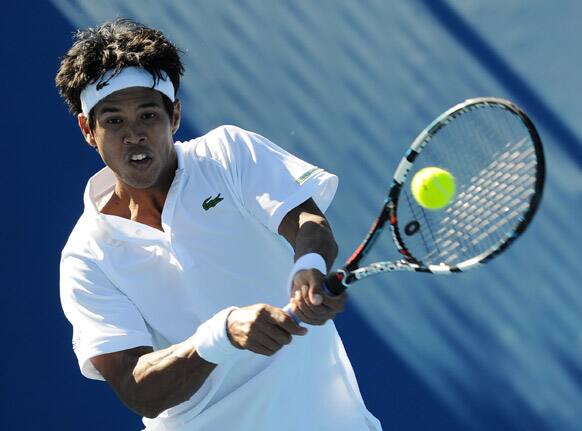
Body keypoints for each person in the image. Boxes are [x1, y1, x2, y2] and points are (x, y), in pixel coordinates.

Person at [57, 18, 382, 431]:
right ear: (89, 130)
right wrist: (221, 335)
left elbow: (305, 220)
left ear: (174, 116)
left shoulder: (228, 155)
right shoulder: (86, 257)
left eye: (148, 115)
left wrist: (309, 266)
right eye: (114, 121)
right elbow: (137, 389)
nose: (134, 135)